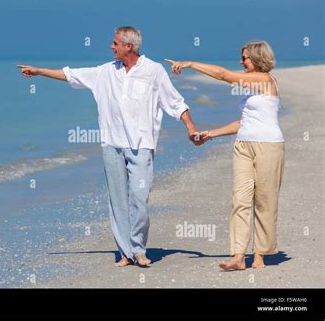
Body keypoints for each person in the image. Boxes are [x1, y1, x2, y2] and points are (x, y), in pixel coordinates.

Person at [18, 26, 198, 267]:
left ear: (129, 47)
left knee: (139, 198)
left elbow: (175, 102)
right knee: (117, 201)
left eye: (115, 43)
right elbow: (71, 74)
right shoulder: (105, 72)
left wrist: (190, 127)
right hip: (112, 144)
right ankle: (126, 253)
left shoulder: (154, 71)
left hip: (141, 145)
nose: (111, 47)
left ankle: (139, 249)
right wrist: (39, 71)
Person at [166, 40, 285, 270]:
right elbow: (244, 122)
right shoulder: (252, 87)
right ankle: (239, 256)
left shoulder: (265, 80)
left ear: (258, 59)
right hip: (243, 145)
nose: (241, 61)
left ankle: (259, 254)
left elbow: (223, 75)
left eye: (245, 58)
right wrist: (210, 134)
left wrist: (190, 63)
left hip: (269, 146)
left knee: (264, 201)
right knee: (240, 199)